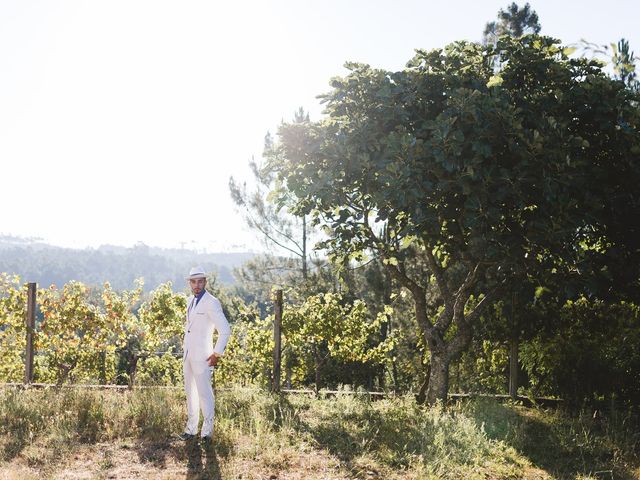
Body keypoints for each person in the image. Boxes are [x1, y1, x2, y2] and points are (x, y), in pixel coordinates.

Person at [178, 266, 231, 442]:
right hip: (188, 356)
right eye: (194, 282)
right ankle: (191, 429)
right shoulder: (189, 301)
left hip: (204, 357)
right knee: (190, 393)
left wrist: (217, 353)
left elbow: (225, 330)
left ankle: (206, 433)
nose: (197, 285)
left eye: (200, 281)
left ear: (205, 282)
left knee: (205, 394)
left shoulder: (211, 302)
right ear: (189, 283)